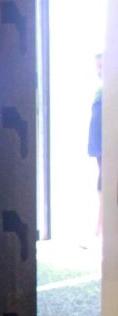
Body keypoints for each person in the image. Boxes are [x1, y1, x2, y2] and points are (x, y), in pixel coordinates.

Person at [89, 52, 104, 239]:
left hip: (104, 144)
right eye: (97, 67)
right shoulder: (100, 90)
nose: (99, 71)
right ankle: (99, 228)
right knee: (102, 183)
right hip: (99, 144)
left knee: (104, 184)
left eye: (102, 66)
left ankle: (99, 229)